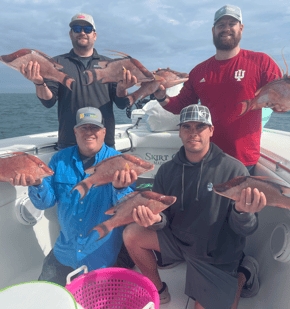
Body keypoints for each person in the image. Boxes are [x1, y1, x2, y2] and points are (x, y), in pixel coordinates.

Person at [123, 104, 267, 308]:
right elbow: (163, 217)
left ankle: (243, 273)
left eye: (200, 126)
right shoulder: (166, 171)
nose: (193, 132)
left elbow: (246, 229)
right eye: (187, 127)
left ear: (211, 130)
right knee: (131, 234)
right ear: (180, 132)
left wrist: (242, 212)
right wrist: (155, 220)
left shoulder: (234, 169)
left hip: (216, 253)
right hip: (179, 241)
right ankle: (159, 290)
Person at [153, 5, 289, 174]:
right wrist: (160, 96)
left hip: (243, 159)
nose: (226, 29)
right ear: (213, 30)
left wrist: (283, 106)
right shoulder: (199, 71)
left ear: (241, 28)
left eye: (231, 23)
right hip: (206, 156)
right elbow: (181, 105)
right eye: (221, 25)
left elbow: (281, 99)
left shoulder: (262, 62)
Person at [9, 107, 137, 287]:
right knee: (42, 294)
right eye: (84, 128)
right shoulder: (59, 159)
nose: (89, 133)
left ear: (104, 132)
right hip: (65, 251)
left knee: (92, 301)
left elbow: (127, 212)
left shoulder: (121, 162)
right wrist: (37, 183)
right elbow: (46, 202)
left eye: (95, 128)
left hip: (101, 253)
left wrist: (120, 188)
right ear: (75, 131)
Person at [20, 13, 136, 149]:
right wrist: (39, 82)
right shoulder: (55, 63)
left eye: (87, 29)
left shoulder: (110, 65)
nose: (82, 33)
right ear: (70, 34)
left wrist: (122, 88)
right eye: (77, 29)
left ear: (95, 35)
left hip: (103, 143)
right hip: (69, 144)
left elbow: (121, 104)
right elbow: (48, 101)